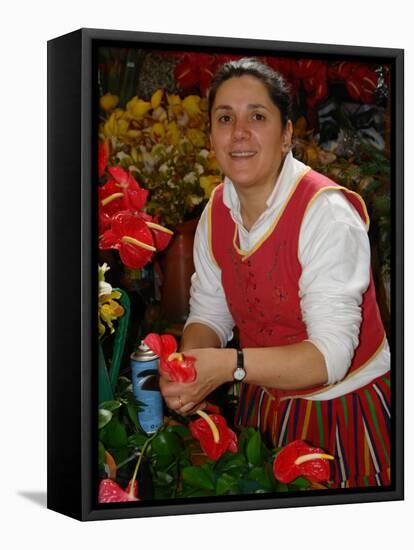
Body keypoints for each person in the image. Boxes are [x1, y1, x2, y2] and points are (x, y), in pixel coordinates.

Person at [159, 58, 391, 488]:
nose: (239, 132)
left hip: (341, 412)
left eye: (258, 116)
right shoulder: (218, 209)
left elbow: (329, 358)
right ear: (211, 135)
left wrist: (227, 366)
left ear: (286, 135)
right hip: (262, 404)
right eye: (225, 118)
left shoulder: (327, 214)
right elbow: (209, 312)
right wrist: (190, 369)